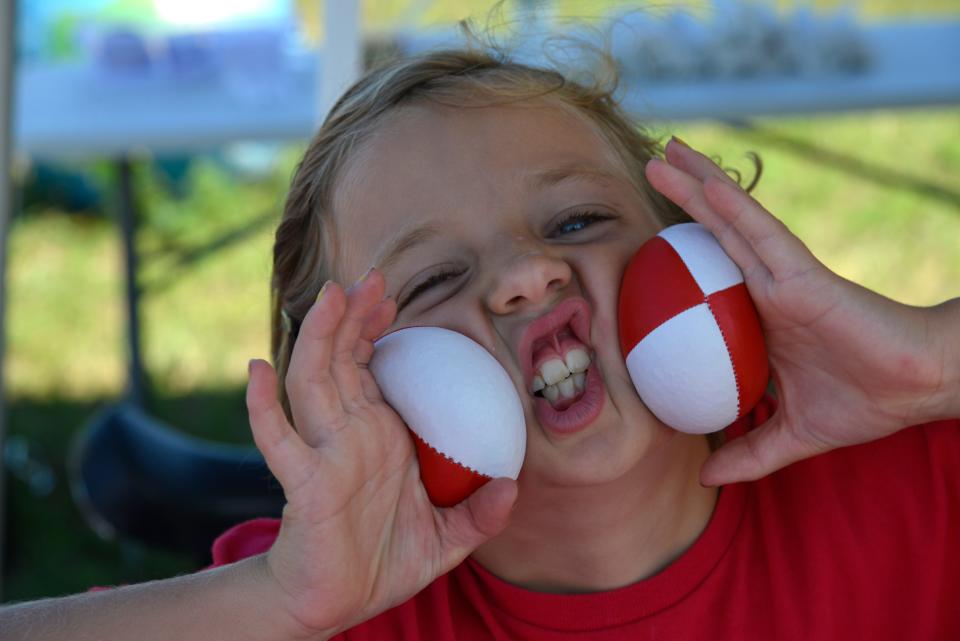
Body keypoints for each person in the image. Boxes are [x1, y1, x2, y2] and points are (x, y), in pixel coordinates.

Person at [3, 42, 959, 641]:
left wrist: (928, 360)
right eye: (433, 279)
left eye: (579, 220)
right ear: (359, 385)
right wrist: (274, 604)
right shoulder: (328, 594)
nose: (520, 275)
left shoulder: (905, 471)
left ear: (691, 247)